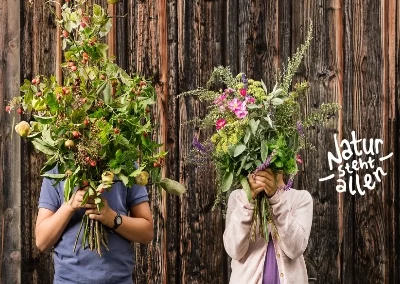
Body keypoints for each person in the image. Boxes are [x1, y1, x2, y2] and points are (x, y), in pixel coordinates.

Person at [35, 166, 154, 284]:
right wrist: (69, 206)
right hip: (69, 280)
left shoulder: (126, 166)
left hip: (119, 280)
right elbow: (42, 242)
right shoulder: (57, 167)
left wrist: (112, 218)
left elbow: (147, 233)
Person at [223, 169, 313, 284]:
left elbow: (295, 249)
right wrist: (248, 199)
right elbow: (234, 251)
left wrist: (275, 200)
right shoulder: (238, 197)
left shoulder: (300, 198)